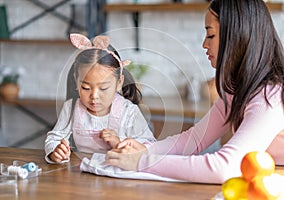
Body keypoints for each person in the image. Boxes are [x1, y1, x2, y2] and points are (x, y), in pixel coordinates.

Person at [105, 0, 284, 184]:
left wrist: (141, 162)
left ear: (239, 36)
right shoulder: (237, 88)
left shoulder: (269, 95)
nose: (204, 44)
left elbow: (225, 167)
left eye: (211, 35)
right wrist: (145, 150)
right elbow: (194, 140)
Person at [45, 33, 156, 164]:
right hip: (84, 174)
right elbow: (54, 138)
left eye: (103, 88)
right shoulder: (71, 107)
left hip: (119, 176)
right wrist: (55, 151)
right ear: (76, 81)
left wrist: (119, 143)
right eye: (86, 88)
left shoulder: (128, 111)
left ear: (119, 82)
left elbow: (150, 146)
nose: (94, 96)